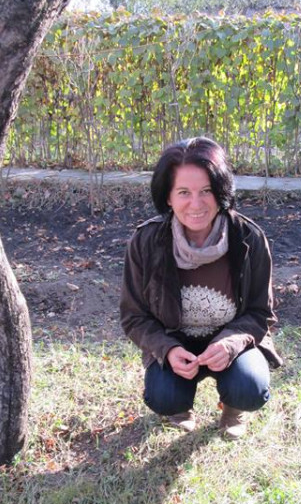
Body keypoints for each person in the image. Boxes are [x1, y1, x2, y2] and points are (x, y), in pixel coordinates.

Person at [120, 136, 282, 439]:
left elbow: (261, 313)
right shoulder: (146, 242)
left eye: (206, 191)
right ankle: (179, 408)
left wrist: (230, 344)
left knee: (249, 388)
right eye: (183, 192)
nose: (196, 204)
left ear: (221, 192)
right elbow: (134, 317)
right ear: (168, 197)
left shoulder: (249, 238)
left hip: (231, 343)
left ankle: (234, 409)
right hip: (175, 342)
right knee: (163, 396)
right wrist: (167, 350)